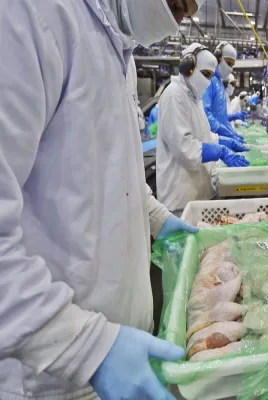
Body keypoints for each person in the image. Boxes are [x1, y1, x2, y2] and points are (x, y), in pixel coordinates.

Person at [0, 0, 204, 399]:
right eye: (180, 3)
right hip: (49, 374)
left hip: (115, 346)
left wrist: (156, 217)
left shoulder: (119, 48)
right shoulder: (29, 15)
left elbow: (108, 169)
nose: (185, 13)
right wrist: (85, 348)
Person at [157, 43, 249, 214]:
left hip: (197, 196)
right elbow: (185, 149)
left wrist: (224, 142)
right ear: (188, 67)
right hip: (181, 201)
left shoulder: (195, 98)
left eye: (211, 76)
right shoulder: (174, 95)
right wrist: (220, 151)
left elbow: (203, 136)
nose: (207, 81)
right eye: (205, 74)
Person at [203, 42, 247, 141]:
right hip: (212, 139)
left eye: (232, 65)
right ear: (218, 58)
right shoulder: (209, 81)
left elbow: (222, 118)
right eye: (229, 63)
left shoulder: (219, 83)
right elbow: (205, 114)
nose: (230, 69)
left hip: (220, 139)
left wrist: (232, 133)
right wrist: (222, 131)